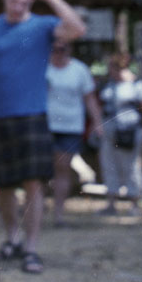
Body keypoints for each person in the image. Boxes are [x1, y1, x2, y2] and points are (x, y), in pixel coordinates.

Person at [0, 0, 86, 274]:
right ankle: (13, 240)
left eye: (24, 2)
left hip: (33, 115)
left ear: (30, 1)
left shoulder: (44, 26)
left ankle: (31, 248)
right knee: (3, 185)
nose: (18, 6)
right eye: (13, 1)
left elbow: (77, 28)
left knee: (34, 184)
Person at [46, 38, 102, 225]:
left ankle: (58, 213)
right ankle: (39, 209)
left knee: (62, 168)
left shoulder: (79, 70)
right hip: (45, 125)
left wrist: (98, 122)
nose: (58, 52)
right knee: (43, 170)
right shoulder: (43, 67)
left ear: (69, 49)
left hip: (71, 126)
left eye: (62, 48)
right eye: (55, 49)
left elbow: (90, 99)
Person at [97, 52, 142, 215]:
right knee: (109, 164)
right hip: (110, 130)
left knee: (131, 166)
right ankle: (111, 203)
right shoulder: (108, 85)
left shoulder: (137, 85)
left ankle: (134, 203)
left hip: (130, 130)